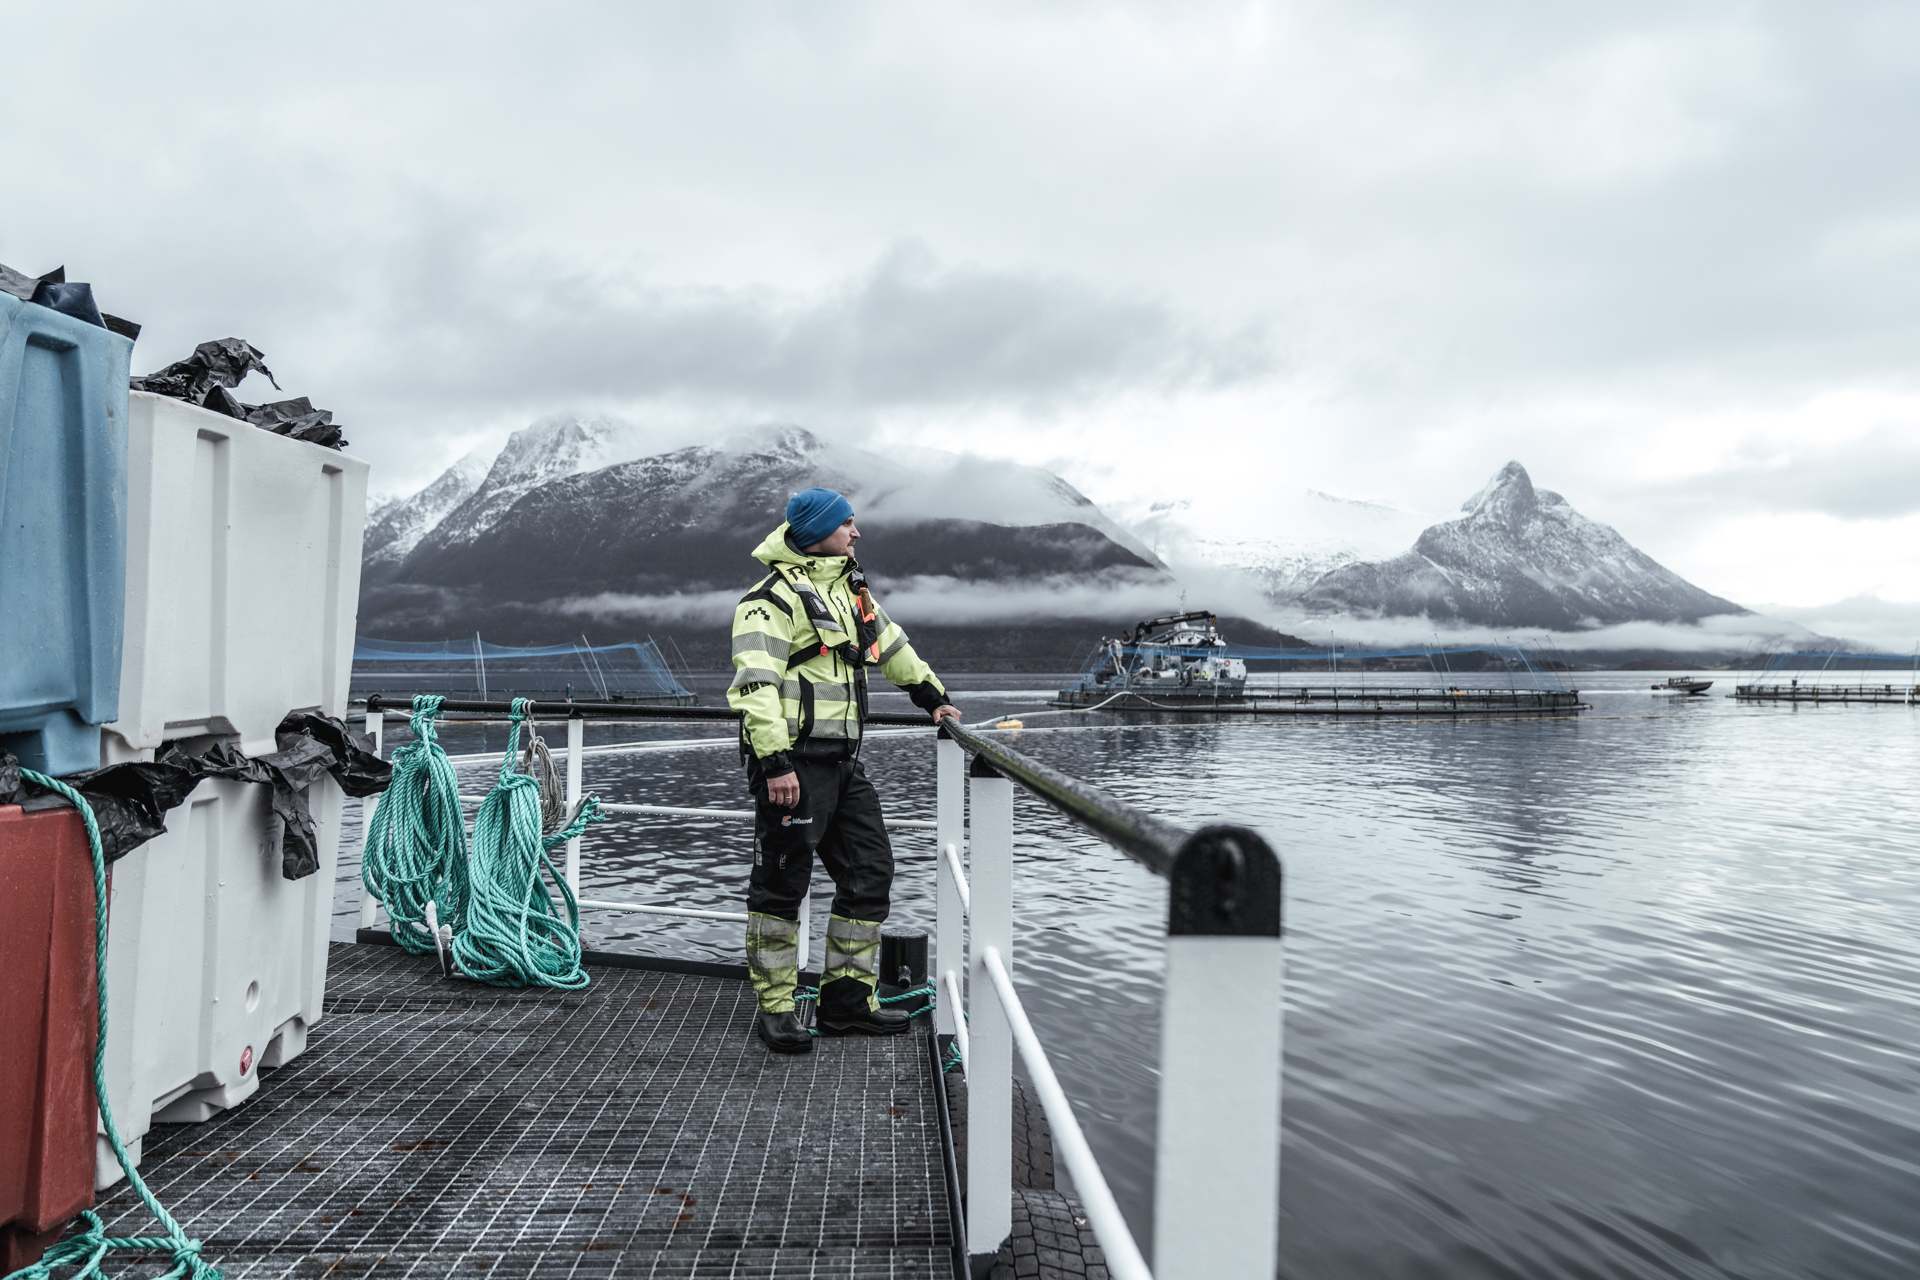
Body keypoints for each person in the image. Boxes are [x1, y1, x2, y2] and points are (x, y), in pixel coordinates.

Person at [727, 487, 961, 1054]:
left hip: (843, 763)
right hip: (791, 764)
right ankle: (778, 1008)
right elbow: (756, 685)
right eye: (847, 525)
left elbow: (893, 646)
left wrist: (934, 699)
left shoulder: (850, 591)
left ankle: (846, 1002)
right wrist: (774, 762)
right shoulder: (768, 601)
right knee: (781, 888)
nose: (857, 533)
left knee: (869, 872)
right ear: (816, 531)